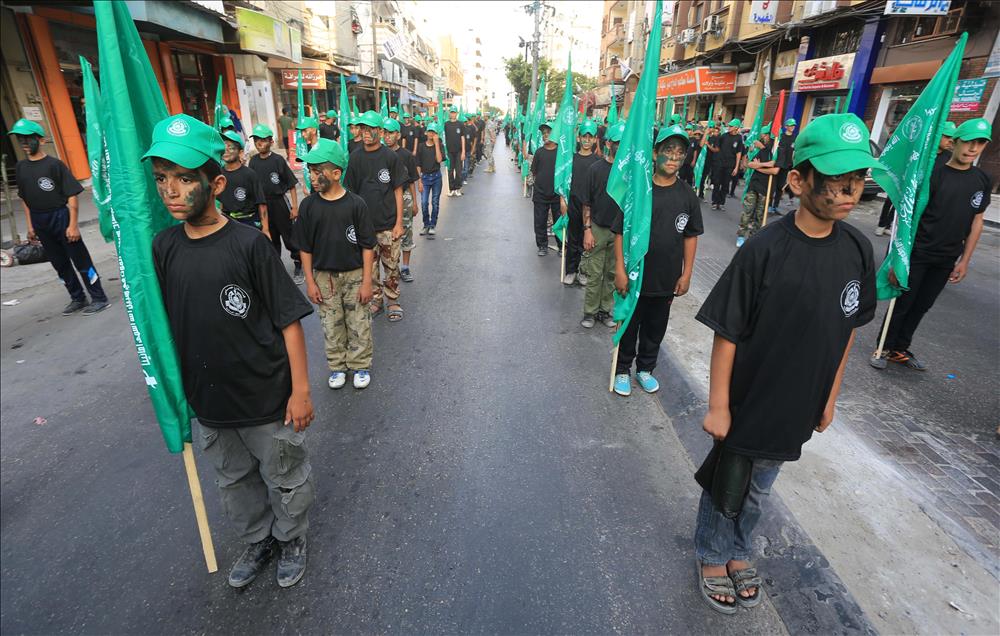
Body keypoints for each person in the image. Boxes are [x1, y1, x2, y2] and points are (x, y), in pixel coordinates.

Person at [692, 113, 878, 614]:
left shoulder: (859, 250)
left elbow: (846, 333)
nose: (847, 190)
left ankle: (737, 549)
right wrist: (719, 406)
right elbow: (727, 332)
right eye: (835, 179)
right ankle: (711, 552)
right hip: (749, 398)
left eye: (857, 178)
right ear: (798, 180)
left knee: (760, 489)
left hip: (798, 403)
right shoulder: (763, 250)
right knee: (727, 482)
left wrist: (830, 396)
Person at [145, 113, 315, 590]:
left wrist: (300, 390)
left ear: (216, 183)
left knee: (284, 474)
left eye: (183, 179)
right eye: (162, 179)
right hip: (212, 402)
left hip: (264, 396)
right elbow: (168, 323)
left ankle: (290, 537)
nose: (170, 191)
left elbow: (288, 321)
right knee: (234, 482)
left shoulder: (250, 246)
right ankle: (258, 539)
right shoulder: (163, 247)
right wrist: (176, 391)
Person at [870, 118, 992, 372]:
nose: (973, 148)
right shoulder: (930, 176)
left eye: (980, 143)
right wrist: (897, 258)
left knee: (922, 305)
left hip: (947, 257)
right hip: (918, 253)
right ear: (955, 142)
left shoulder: (982, 179)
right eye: (969, 141)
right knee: (903, 303)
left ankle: (900, 349)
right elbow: (907, 219)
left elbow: (977, 221)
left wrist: (965, 260)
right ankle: (883, 346)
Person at [611, 125, 702, 396]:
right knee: (630, 326)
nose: (674, 157)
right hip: (635, 277)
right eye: (668, 150)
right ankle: (622, 369)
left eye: (680, 152)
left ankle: (645, 368)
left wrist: (686, 274)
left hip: (665, 279)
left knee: (655, 328)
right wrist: (619, 268)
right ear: (655, 153)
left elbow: (691, 236)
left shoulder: (687, 195)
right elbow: (619, 231)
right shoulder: (639, 192)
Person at [295, 139, 376, 391]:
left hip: (354, 274)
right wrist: (309, 281)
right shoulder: (308, 206)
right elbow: (305, 247)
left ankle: (360, 364)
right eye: (310, 170)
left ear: (336, 173)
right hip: (324, 277)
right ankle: (337, 367)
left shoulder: (356, 204)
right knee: (331, 323)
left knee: (358, 321)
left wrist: (366, 282)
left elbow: (367, 246)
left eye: (317, 170)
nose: (312, 175)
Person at [9, 118, 109, 315]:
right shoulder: (20, 168)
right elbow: (25, 199)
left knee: (80, 260)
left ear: (42, 140)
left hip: (60, 217)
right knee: (59, 264)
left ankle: (99, 298)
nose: (24, 143)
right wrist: (30, 226)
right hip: (40, 220)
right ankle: (77, 297)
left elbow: (71, 196)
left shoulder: (55, 165)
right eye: (21, 139)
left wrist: (73, 225)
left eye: (29, 138)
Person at [344, 111, 407, 322]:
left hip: (389, 224)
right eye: (362, 128)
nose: (365, 133)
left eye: (370, 128)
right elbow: (350, 193)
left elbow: (398, 190)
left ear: (380, 131)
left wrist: (399, 223)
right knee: (369, 269)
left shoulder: (390, 157)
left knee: (391, 266)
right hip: (365, 228)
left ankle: (393, 301)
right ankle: (377, 299)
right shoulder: (354, 157)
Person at [875, 121, 956, 237]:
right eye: (947, 137)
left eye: (952, 138)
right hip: (907, 184)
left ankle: (890, 225)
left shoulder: (949, 157)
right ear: (937, 135)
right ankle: (882, 224)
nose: (950, 141)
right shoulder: (921, 151)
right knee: (892, 201)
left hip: (925, 193)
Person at [581, 121, 624, 329]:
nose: (621, 145)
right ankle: (589, 312)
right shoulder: (595, 169)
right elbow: (586, 203)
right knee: (595, 273)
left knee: (612, 275)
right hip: (598, 228)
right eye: (617, 142)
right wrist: (587, 230)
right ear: (608, 143)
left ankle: (604, 311)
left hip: (619, 234)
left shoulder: (629, 173)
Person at [248, 124, 302, 283]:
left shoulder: (278, 160)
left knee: (289, 235)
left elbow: (291, 184)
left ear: (271, 141)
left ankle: (299, 264)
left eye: (263, 140)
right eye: (256, 140)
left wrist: (294, 206)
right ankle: (277, 268)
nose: (259, 143)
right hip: (263, 206)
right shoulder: (253, 162)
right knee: (270, 237)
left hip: (279, 203)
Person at [563, 119, 602, 285]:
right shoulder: (571, 160)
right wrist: (562, 201)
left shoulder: (597, 162)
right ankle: (570, 270)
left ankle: (583, 271)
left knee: (587, 242)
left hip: (591, 208)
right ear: (578, 138)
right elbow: (564, 182)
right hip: (573, 204)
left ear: (595, 140)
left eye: (590, 137)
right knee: (572, 239)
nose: (587, 140)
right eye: (583, 136)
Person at [383, 119, 419, 283]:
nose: (387, 136)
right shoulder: (379, 154)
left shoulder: (406, 155)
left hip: (404, 198)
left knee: (405, 232)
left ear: (398, 134)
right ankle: (391, 268)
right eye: (385, 132)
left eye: (390, 132)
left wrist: (415, 203)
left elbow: (411, 180)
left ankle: (405, 267)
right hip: (384, 198)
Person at [218, 131, 268, 236]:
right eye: (224, 147)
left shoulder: (250, 174)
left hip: (249, 222)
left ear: (240, 152)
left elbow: (261, 203)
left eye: (230, 147)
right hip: (228, 222)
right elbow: (221, 201)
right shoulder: (219, 175)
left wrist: (266, 229)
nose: (226, 151)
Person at [737, 129, 779, 247]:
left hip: (766, 189)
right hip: (754, 185)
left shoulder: (778, 152)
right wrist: (766, 165)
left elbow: (775, 170)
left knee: (759, 216)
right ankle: (741, 235)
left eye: (765, 135)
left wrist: (758, 166)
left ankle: (753, 238)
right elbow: (750, 164)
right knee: (747, 211)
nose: (764, 137)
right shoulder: (763, 150)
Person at [530, 121, 559, 257]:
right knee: (540, 221)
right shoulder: (539, 152)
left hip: (557, 194)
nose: (545, 135)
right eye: (543, 133)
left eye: (548, 132)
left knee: (559, 222)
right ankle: (542, 245)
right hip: (541, 194)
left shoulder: (561, 152)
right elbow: (534, 172)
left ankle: (561, 246)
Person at [416, 123, 444, 237]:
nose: (431, 134)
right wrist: (419, 181)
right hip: (425, 178)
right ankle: (426, 224)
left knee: (435, 202)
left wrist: (437, 144)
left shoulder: (440, 145)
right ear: (426, 132)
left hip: (436, 177)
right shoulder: (421, 146)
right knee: (423, 202)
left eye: (433, 132)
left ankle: (433, 225)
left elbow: (439, 160)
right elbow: (417, 164)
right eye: (429, 131)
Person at [710, 119, 745, 210]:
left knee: (725, 185)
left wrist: (736, 167)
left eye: (731, 126)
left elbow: (739, 153)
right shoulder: (723, 136)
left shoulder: (739, 138)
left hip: (730, 165)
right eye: (729, 126)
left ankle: (721, 203)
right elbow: (717, 148)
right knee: (717, 183)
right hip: (720, 164)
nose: (729, 127)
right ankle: (714, 202)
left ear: (736, 128)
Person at [770, 118, 797, 214]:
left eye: (793, 125)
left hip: (786, 166)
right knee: (772, 186)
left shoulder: (795, 138)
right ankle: (768, 205)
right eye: (790, 125)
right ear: (786, 127)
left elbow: (794, 152)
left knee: (780, 187)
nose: (792, 127)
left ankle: (775, 206)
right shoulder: (780, 137)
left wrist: (793, 165)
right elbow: (774, 150)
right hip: (777, 165)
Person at [444, 107, 465, 196]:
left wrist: (463, 151)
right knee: (450, 170)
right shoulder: (446, 124)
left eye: (454, 112)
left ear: (457, 113)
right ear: (450, 113)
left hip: (459, 151)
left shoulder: (460, 124)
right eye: (451, 112)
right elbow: (443, 136)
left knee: (459, 170)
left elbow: (463, 138)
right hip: (449, 151)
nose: (453, 114)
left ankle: (458, 188)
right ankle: (451, 188)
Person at [699, 122, 717, 200]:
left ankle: (701, 194)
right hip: (700, 160)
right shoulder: (703, 136)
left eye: (711, 127)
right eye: (708, 127)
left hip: (709, 161)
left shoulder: (715, 138)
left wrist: (708, 145)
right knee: (698, 176)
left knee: (704, 178)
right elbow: (701, 145)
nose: (709, 129)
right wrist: (705, 134)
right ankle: (695, 192)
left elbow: (715, 150)